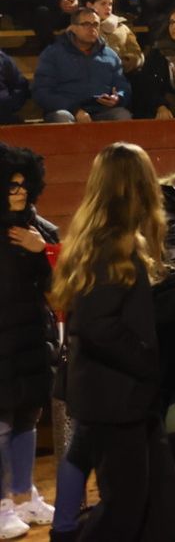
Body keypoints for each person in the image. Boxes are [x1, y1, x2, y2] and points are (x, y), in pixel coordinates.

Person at [51, 142, 175, 541]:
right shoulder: (109, 246)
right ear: (135, 186)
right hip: (116, 399)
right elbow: (97, 325)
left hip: (125, 399)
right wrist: (147, 361)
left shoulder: (112, 240)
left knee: (160, 503)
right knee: (123, 509)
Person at [0, 144, 58, 538]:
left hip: (34, 338)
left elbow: (64, 286)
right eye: (10, 185)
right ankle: (2, 503)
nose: (18, 191)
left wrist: (44, 252)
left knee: (28, 416)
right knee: (0, 422)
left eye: (23, 184)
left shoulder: (46, 230)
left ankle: (24, 494)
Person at [35, 6, 132, 123]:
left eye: (96, 24)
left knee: (122, 115)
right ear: (73, 28)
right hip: (66, 110)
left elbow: (122, 85)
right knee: (62, 117)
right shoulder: (53, 54)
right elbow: (42, 91)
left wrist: (118, 98)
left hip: (101, 110)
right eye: (86, 24)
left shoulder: (110, 55)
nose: (92, 29)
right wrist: (75, 110)